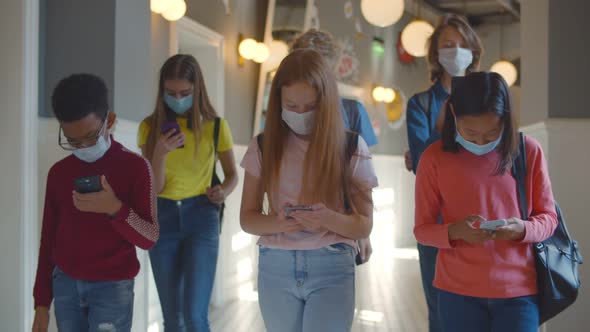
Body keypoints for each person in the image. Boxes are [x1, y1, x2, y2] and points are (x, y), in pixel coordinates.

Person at [240, 49, 378, 332]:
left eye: (310, 107)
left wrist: (326, 218)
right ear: (278, 102)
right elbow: (248, 219)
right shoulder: (263, 146)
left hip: (332, 264)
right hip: (275, 265)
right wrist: (279, 222)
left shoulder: (351, 147)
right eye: (291, 106)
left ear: (326, 103)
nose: (300, 115)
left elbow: (364, 226)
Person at [414, 72, 557, 332]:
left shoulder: (528, 151)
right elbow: (421, 230)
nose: (481, 142)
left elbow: (549, 219)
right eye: (470, 132)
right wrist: (456, 231)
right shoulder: (433, 158)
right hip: (456, 293)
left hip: (519, 292)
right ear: (453, 113)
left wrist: (522, 229)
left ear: (506, 120)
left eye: (492, 133)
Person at [32, 73, 159, 332]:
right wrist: (41, 305)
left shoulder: (136, 168)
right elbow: (48, 241)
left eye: (90, 137)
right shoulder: (58, 173)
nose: (82, 146)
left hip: (113, 288)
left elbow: (149, 237)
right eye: (72, 141)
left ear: (109, 121)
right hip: (65, 284)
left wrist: (115, 208)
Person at [139, 54, 238, 332]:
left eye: (185, 93)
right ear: (162, 91)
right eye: (171, 93)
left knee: (196, 316)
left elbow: (232, 175)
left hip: (201, 215)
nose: (178, 98)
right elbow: (154, 188)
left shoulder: (216, 126)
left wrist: (223, 191)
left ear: (198, 90)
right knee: (173, 319)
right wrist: (159, 153)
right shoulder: (149, 128)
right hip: (162, 215)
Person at [404, 14, 483, 332]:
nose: (456, 51)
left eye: (462, 45)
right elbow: (424, 162)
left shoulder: (486, 98)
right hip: (437, 227)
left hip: (483, 220)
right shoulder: (420, 104)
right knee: (441, 314)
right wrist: (446, 123)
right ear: (436, 54)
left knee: (482, 311)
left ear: (473, 51)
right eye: (448, 46)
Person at [292, 28, 376, 264]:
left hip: (342, 220)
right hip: (294, 219)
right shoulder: (285, 114)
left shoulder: (352, 110)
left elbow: (364, 179)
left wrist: (364, 230)